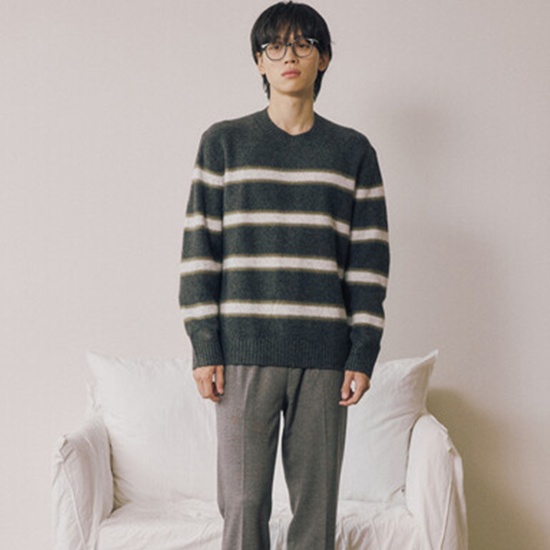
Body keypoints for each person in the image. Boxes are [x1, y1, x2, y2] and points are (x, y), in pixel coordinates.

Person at [179, 2, 390, 549]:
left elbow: (368, 262)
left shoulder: (353, 152)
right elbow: (200, 249)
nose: (288, 55)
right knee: (243, 506)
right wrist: (205, 345)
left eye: (302, 44)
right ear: (259, 62)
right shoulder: (223, 143)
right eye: (274, 45)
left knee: (316, 512)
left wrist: (362, 352)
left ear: (324, 58)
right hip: (243, 354)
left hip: (325, 358)